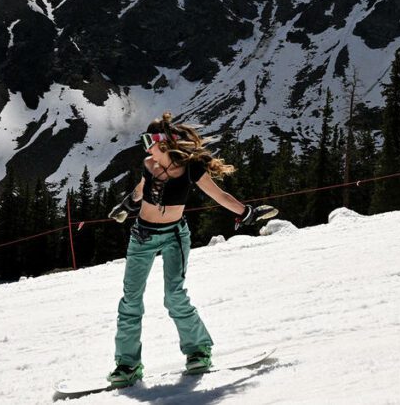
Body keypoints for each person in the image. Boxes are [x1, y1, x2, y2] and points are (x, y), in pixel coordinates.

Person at [104, 112, 278, 388]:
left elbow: (219, 195)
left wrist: (248, 213)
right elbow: (141, 188)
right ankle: (127, 365)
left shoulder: (190, 168)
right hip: (142, 237)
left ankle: (198, 351)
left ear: (161, 142)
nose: (145, 145)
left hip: (174, 236)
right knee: (130, 301)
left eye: (148, 139)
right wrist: (127, 205)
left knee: (174, 296)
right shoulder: (149, 164)